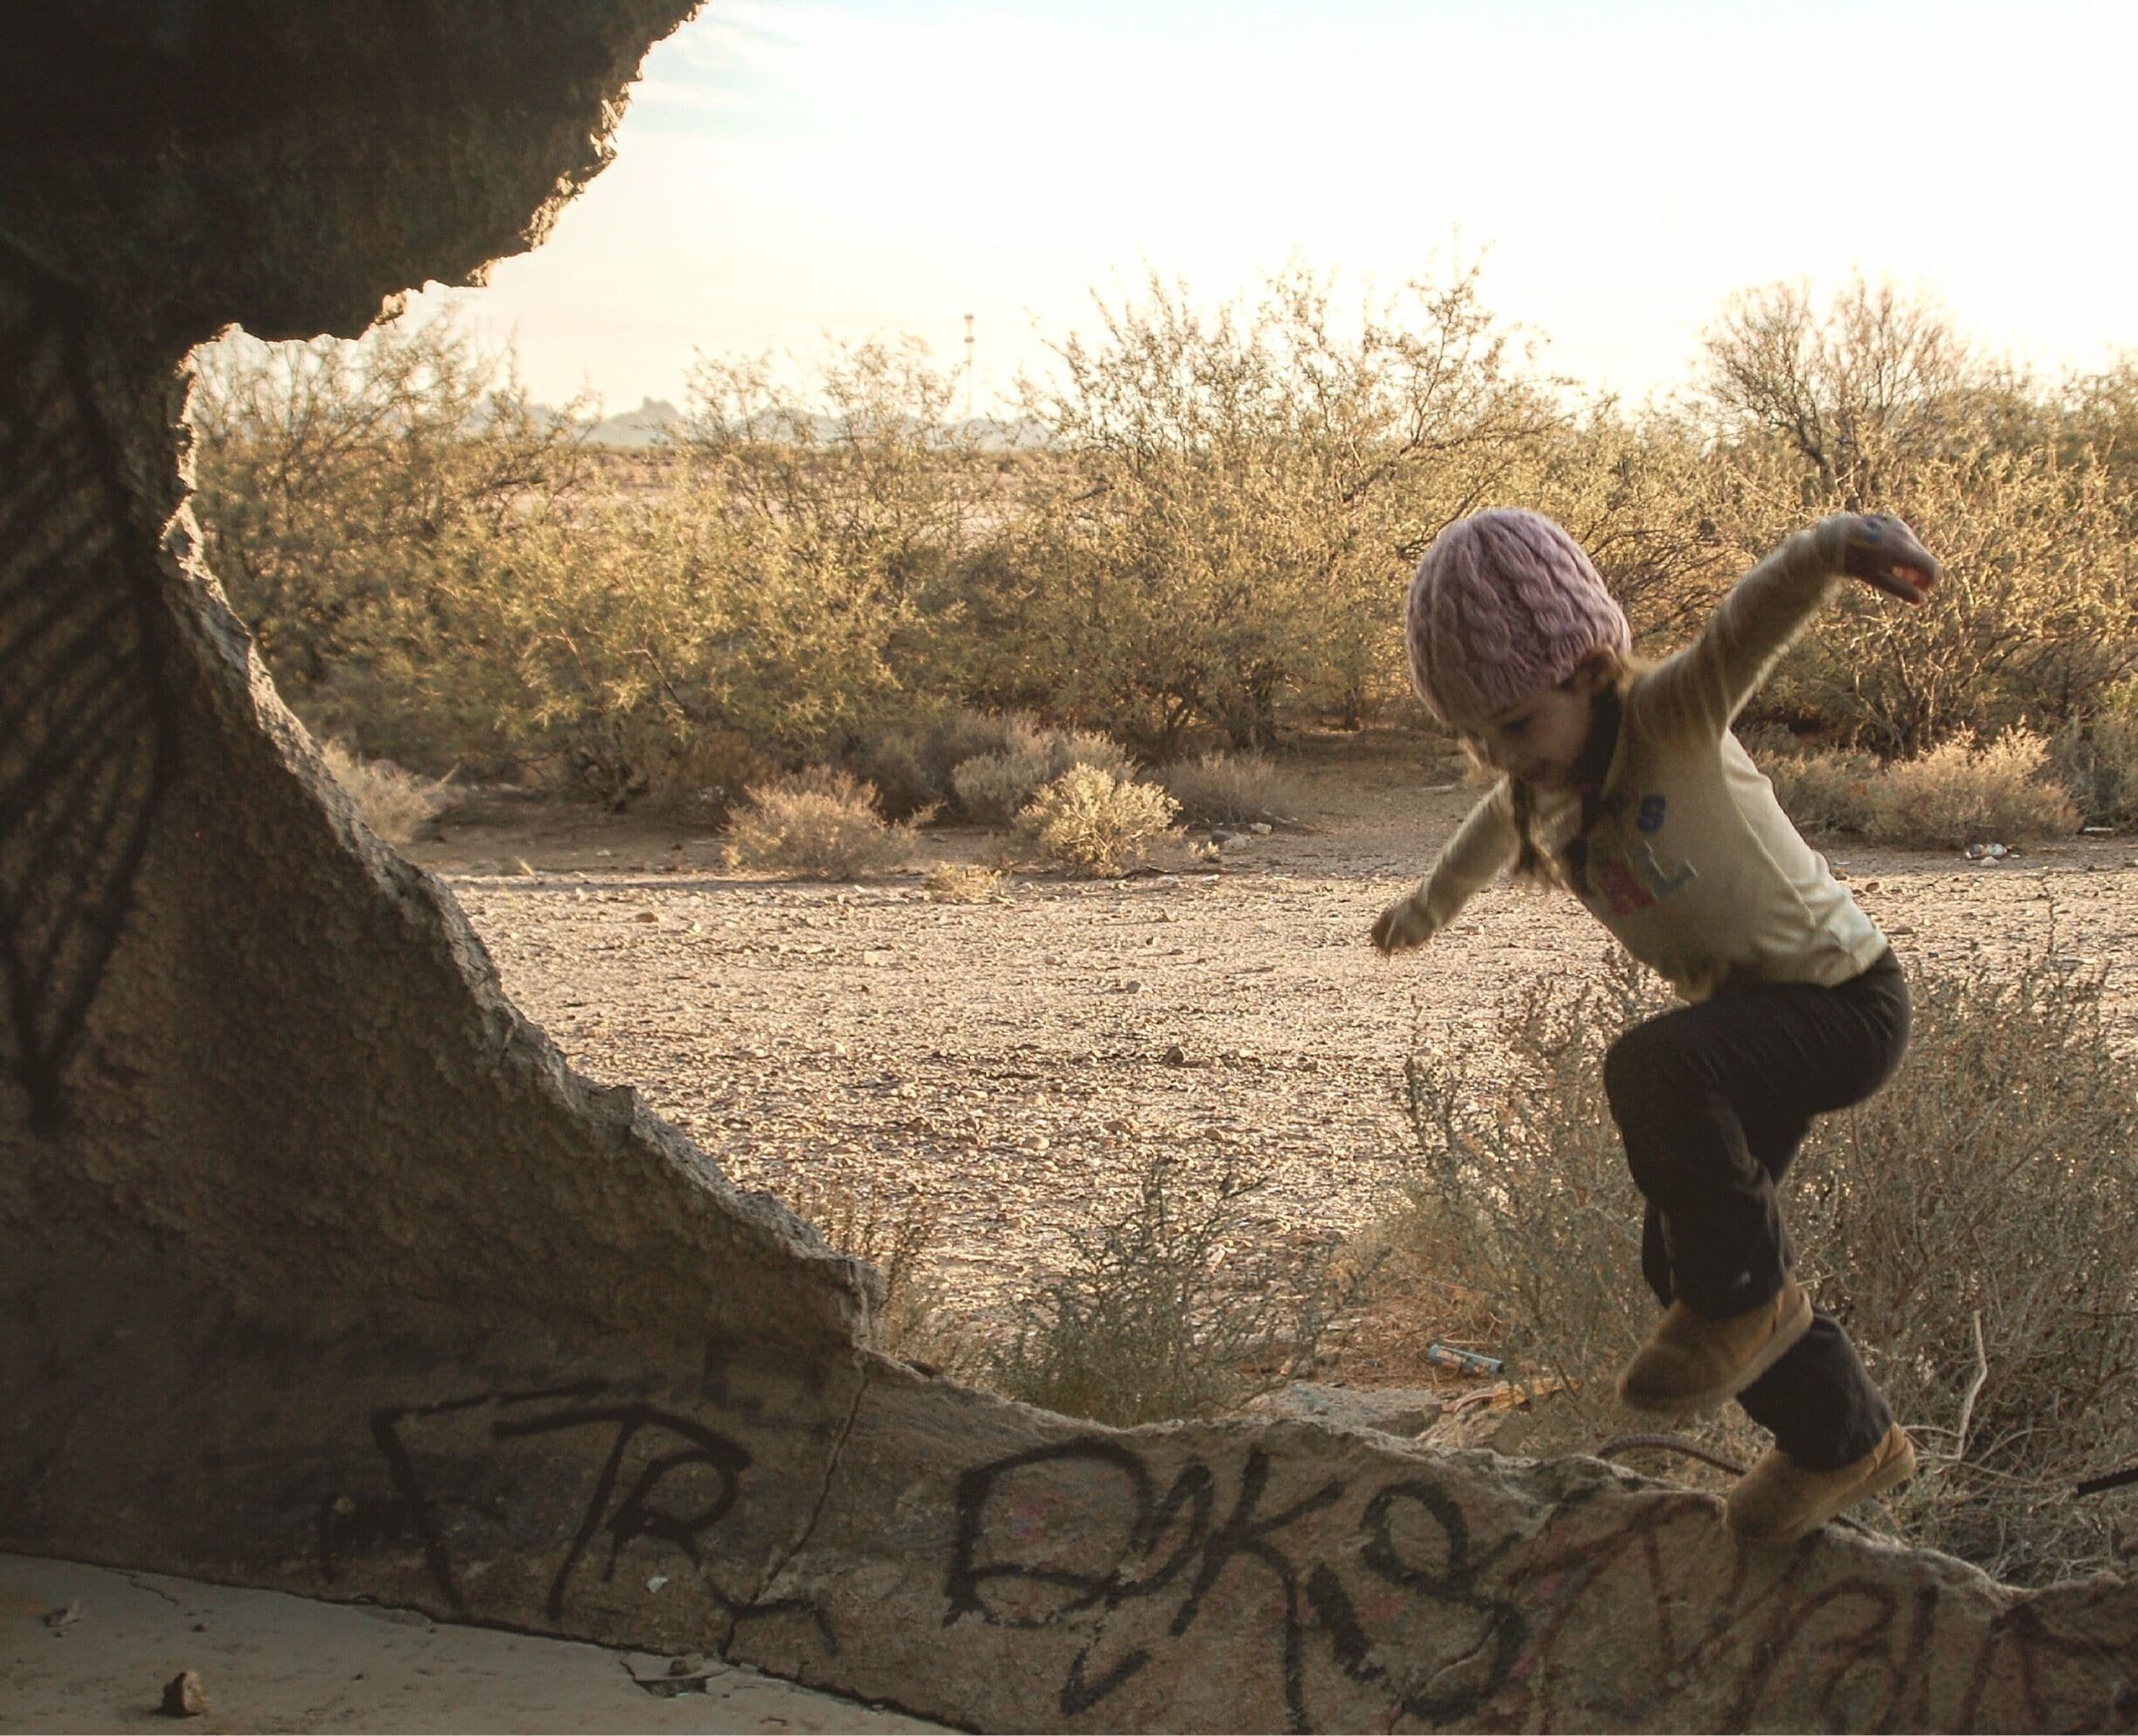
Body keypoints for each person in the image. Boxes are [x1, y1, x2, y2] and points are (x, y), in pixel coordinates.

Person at [1371, 506, 1941, 1544]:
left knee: (1653, 1070)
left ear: (1587, 669)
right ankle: (1842, 1439)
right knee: (1678, 1264)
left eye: (1517, 723)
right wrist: (1421, 912)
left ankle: (1744, 1303)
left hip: (1844, 1001)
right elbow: (1476, 841)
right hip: (1753, 1027)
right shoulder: (1540, 797)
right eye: (1480, 738)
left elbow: (1745, 624)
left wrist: (1828, 552)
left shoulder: (1673, 714)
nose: (1507, 756)